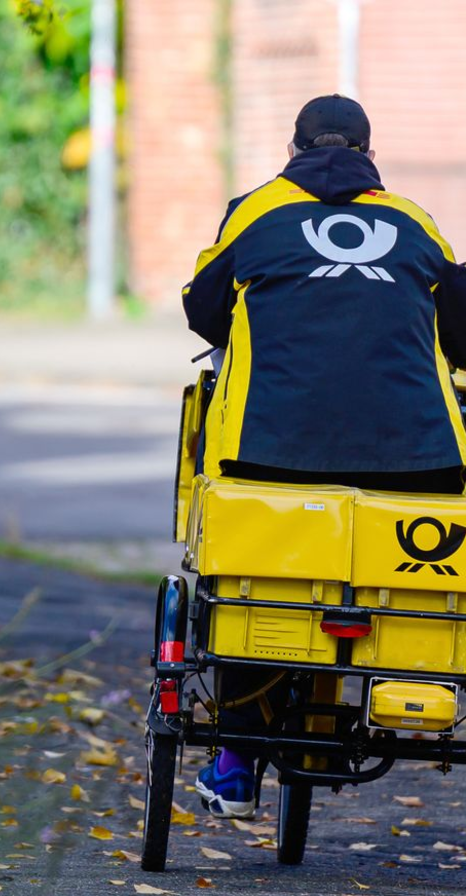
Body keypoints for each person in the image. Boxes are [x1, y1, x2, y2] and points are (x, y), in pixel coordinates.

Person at [181, 94, 466, 817]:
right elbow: (462, 327)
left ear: (291, 148)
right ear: (372, 153)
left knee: (254, 584)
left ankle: (238, 760)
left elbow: (201, 308)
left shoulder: (255, 211)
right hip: (419, 461)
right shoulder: (414, 220)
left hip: (268, 451)